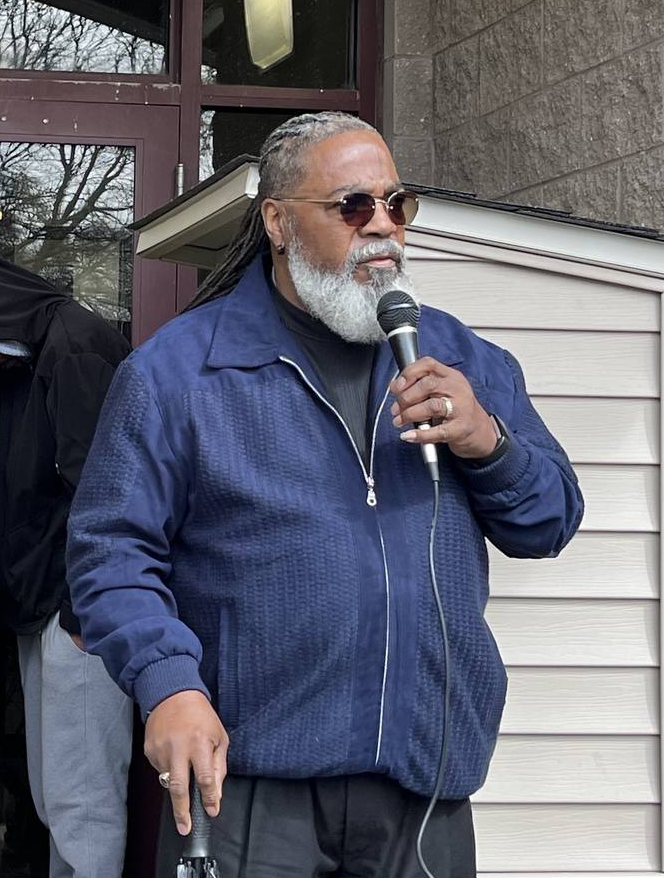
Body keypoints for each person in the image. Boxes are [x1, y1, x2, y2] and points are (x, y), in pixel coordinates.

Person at [66, 112, 586, 877]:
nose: (381, 227)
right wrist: (167, 682)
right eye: (352, 206)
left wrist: (487, 440)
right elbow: (110, 553)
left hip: (424, 773)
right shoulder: (178, 371)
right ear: (278, 222)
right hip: (249, 778)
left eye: (395, 204)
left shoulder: (464, 360)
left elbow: (549, 522)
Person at [0, 251, 133, 878]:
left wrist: (81, 602)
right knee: (57, 785)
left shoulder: (74, 350)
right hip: (51, 600)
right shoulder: (41, 350)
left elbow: (102, 486)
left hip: (77, 607)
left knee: (81, 792)